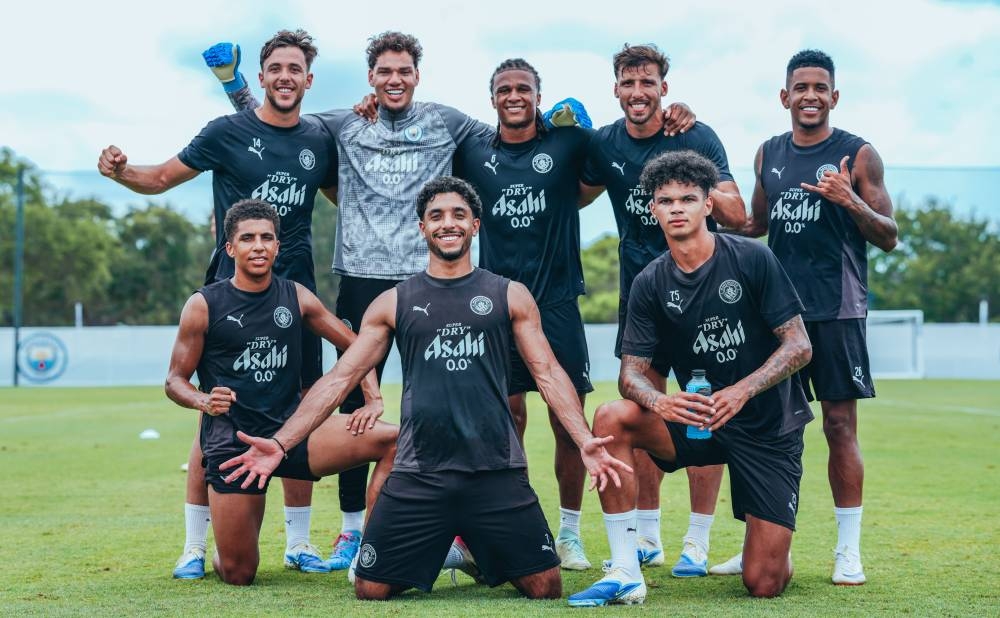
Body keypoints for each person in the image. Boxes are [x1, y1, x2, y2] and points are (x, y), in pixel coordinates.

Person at [221, 176, 632, 600]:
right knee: (370, 588)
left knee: (546, 587)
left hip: (495, 469)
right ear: (422, 228)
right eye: (436, 216)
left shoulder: (510, 295)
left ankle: (476, 546)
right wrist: (281, 443)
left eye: (458, 215)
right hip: (419, 473)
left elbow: (547, 372)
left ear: (475, 225)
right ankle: (445, 550)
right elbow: (340, 379)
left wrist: (583, 438)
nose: (447, 223)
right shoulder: (393, 302)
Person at [210, 32, 498, 567]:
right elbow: (275, 123)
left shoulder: (447, 121)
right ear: (371, 77)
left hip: (427, 281)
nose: (394, 79)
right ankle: (350, 531)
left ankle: (456, 527)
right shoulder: (344, 122)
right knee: (351, 402)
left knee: (444, 397)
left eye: (403, 71)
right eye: (384, 71)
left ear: (417, 75)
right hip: (362, 279)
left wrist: (557, 123)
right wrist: (235, 89)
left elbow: (507, 133)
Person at [98, 30, 359, 577]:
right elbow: (161, 177)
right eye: (276, 68)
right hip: (231, 297)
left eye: (295, 69)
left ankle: (299, 543)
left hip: (295, 296)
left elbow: (347, 198)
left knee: (301, 408)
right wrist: (121, 171)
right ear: (260, 78)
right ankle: (194, 546)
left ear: (309, 80)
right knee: (214, 416)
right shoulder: (226, 131)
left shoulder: (320, 140)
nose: (285, 76)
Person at [566, 151, 812, 606]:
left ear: (708, 205)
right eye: (666, 200)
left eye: (687, 199)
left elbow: (799, 345)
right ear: (653, 209)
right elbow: (630, 374)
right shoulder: (649, 282)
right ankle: (625, 569)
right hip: (699, 421)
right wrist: (660, 402)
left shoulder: (752, 258)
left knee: (764, 581)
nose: (676, 208)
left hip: (767, 426)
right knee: (612, 417)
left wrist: (742, 390)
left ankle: (769, 541)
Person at [717, 49, 897, 585]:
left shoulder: (858, 154)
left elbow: (889, 235)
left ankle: (848, 551)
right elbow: (756, 225)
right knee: (760, 428)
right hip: (774, 317)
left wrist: (850, 201)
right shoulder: (767, 153)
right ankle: (755, 543)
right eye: (801, 87)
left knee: (839, 427)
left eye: (820, 87)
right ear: (785, 97)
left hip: (836, 311)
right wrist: (706, 218)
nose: (810, 96)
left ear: (834, 96)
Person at [164, 199, 397, 586]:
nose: (258, 246)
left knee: (395, 439)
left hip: (294, 433)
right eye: (248, 239)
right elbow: (174, 381)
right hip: (236, 443)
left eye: (266, 238)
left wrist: (372, 397)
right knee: (239, 572)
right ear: (230, 248)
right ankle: (214, 544)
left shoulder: (297, 296)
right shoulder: (203, 305)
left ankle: (371, 555)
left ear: (277, 246)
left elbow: (356, 344)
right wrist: (203, 400)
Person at [578, 43, 747, 577]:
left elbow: (739, 213)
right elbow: (571, 192)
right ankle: (646, 536)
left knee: (704, 412)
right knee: (642, 412)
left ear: (663, 88)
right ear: (616, 89)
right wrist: (555, 130)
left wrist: (696, 180)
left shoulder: (695, 135)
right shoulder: (604, 143)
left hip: (705, 298)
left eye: (647, 82)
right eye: (628, 83)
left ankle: (697, 540)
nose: (638, 92)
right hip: (642, 298)